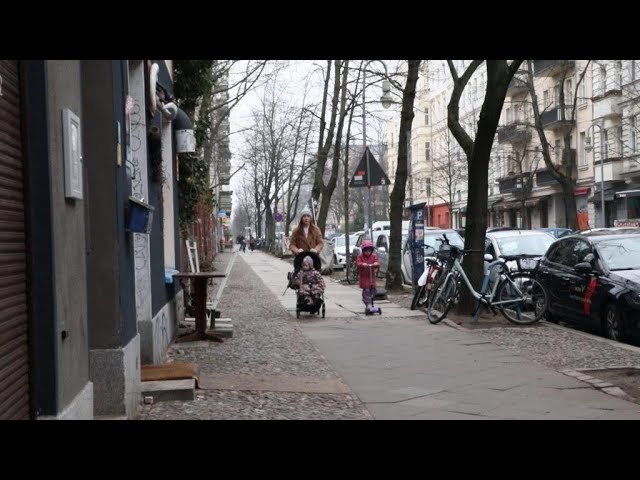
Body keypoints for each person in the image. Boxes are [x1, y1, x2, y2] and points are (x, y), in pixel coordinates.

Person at [356, 240, 380, 313]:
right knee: (366, 290)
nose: (367, 252)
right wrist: (362, 264)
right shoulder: (360, 256)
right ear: (363, 250)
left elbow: (377, 262)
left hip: (372, 276)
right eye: (366, 251)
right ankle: (368, 303)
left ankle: (371, 302)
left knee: (373, 289)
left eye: (369, 251)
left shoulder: (374, 256)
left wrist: (376, 263)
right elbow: (358, 263)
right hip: (364, 276)